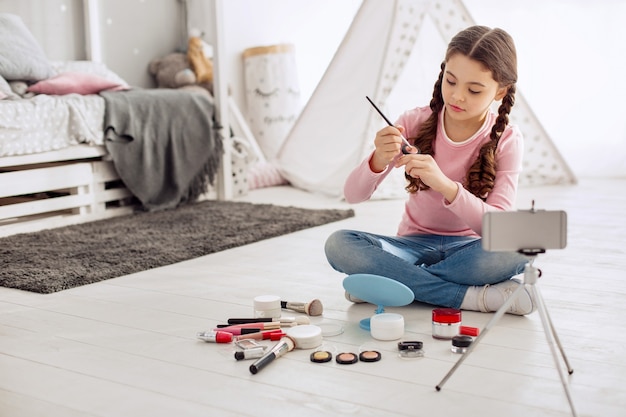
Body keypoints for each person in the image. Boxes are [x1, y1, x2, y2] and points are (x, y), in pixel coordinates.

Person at [324, 25, 535, 315]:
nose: (457, 96)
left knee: (522, 243)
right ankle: (470, 298)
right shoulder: (413, 122)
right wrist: (378, 159)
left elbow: (499, 230)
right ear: (443, 74)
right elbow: (352, 195)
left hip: (468, 251)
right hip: (409, 247)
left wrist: (445, 185)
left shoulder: (508, 139)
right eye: (451, 81)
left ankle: (392, 281)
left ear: (500, 92)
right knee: (339, 245)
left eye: (474, 89)